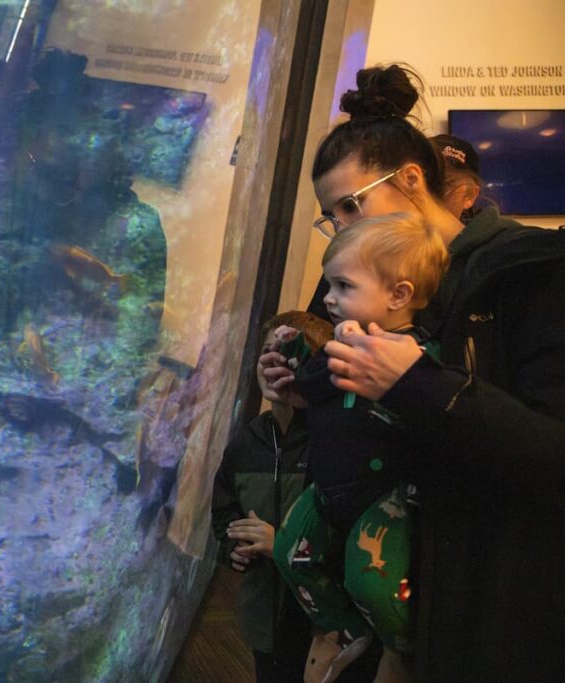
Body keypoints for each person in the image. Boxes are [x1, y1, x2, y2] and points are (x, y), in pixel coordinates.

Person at [265, 64, 565, 681]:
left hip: (478, 602)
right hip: (366, 570)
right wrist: (296, 392)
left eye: (352, 204)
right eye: (333, 215)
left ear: (409, 179)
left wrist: (422, 385)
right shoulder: (358, 267)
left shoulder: (529, 274)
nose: (345, 227)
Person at [272, 213, 448, 683]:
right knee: (290, 553)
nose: (328, 298)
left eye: (343, 286)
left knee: (370, 580)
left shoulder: (420, 354)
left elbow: (432, 413)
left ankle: (399, 648)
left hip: (384, 496)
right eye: (329, 284)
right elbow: (309, 389)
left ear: (399, 295)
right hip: (330, 485)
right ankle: (342, 629)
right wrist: (298, 360)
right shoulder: (338, 343)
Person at [212, 310, 331, 682]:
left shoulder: (331, 443)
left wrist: (280, 544)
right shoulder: (245, 444)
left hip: (320, 625)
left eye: (289, 354)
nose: (273, 363)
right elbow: (224, 513)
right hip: (263, 618)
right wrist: (232, 548)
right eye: (267, 351)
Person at [429, 133, 484, 221]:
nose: (429, 191)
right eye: (426, 177)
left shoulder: (503, 233)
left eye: (446, 183)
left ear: (470, 196)